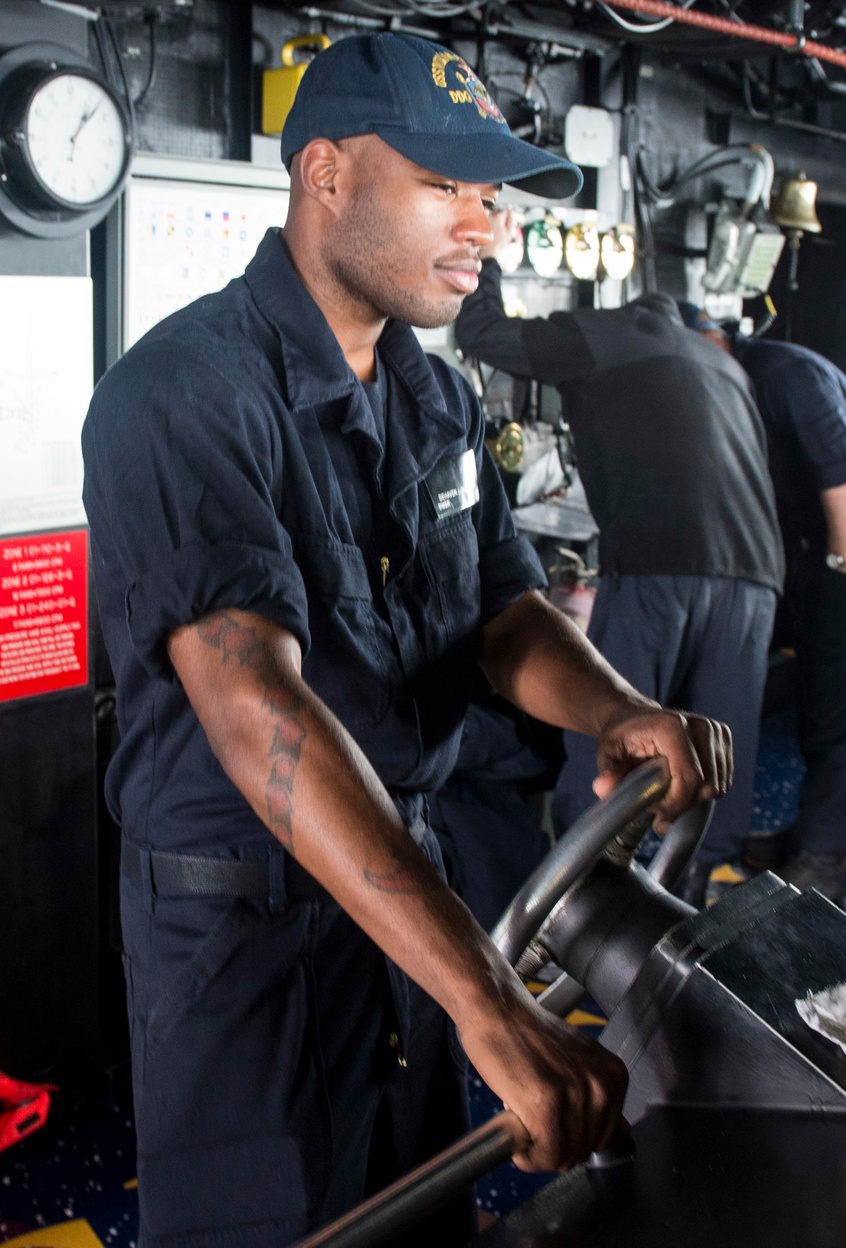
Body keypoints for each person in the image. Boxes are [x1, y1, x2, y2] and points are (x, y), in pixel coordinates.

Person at [82, 34, 734, 1248]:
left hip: (410, 908)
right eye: (445, 186)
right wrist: (490, 1006)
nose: (482, 223)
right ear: (325, 173)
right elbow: (253, 709)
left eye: (487, 194)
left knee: (417, 1215)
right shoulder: (184, 395)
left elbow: (503, 612)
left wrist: (613, 710)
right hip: (253, 946)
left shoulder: (430, 395)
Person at [455, 213, 783, 906]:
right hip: (757, 572)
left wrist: (485, 253)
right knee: (715, 749)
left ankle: (575, 917)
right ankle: (707, 911)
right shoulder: (722, 362)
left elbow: (479, 333)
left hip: (662, 559)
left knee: (615, 729)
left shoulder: (605, 334)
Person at [686, 308, 846, 900]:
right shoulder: (735, 386)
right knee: (824, 703)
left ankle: (826, 859)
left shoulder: (788, 376)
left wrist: (840, 573)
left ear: (715, 340)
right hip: (822, 561)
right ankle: (811, 834)